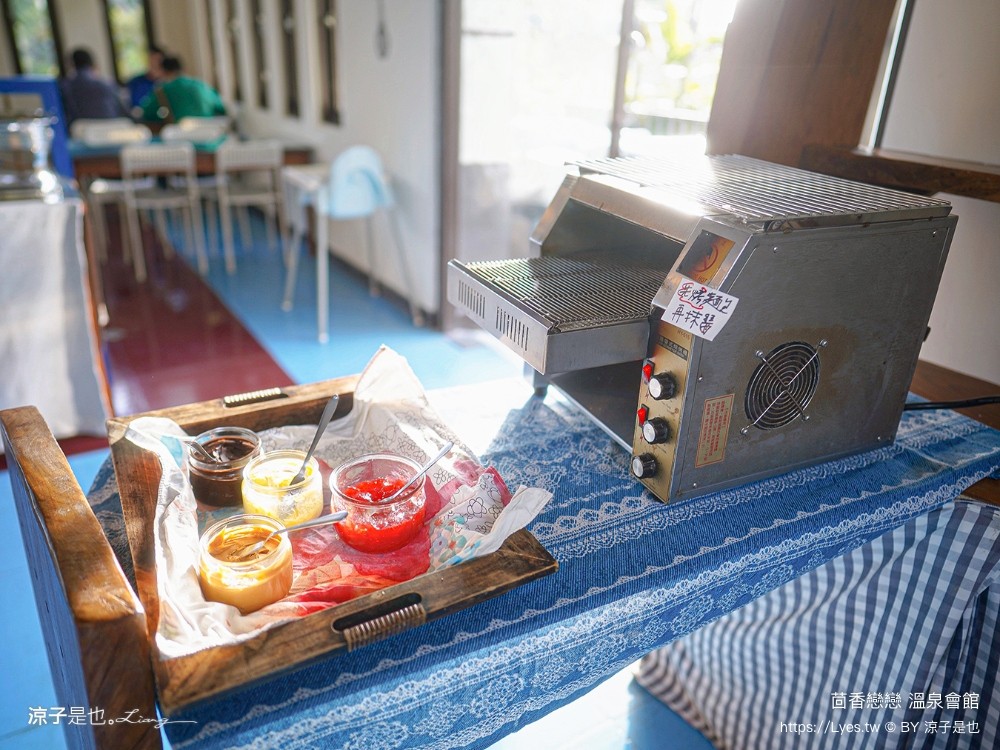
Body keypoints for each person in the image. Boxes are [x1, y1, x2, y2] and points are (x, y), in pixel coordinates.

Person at [139, 55, 226, 123]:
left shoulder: (163, 90)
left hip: (180, 137)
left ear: (164, 72)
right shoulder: (202, 85)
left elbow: (147, 113)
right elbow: (221, 109)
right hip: (210, 134)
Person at [60, 48, 129, 126]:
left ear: (71, 65)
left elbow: (67, 116)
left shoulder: (66, 87)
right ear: (93, 64)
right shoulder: (108, 84)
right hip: (113, 129)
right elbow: (124, 112)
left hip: (83, 132)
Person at [126, 45, 165, 111]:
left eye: (157, 60)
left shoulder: (167, 83)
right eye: (151, 59)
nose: (154, 63)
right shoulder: (136, 82)